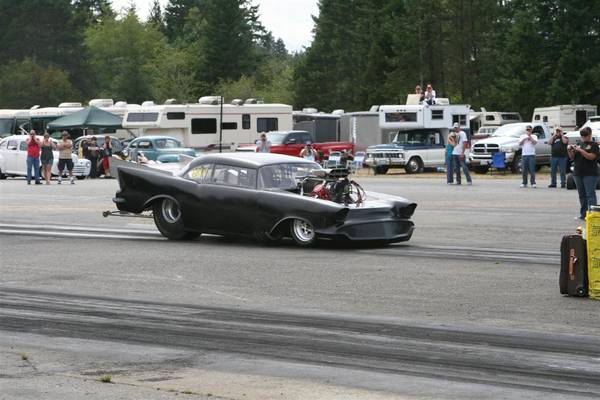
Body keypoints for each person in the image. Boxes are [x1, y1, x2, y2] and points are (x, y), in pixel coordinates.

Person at [568, 127, 599, 220]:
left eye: (585, 135)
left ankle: (592, 216)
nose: (584, 137)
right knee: (582, 195)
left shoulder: (594, 145)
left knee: (590, 194)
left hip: (590, 173)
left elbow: (591, 157)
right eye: (582, 135)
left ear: (590, 135)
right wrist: (570, 150)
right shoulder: (579, 144)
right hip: (578, 172)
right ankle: (583, 214)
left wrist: (581, 150)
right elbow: (572, 158)